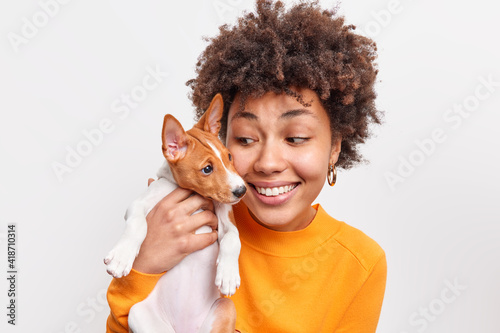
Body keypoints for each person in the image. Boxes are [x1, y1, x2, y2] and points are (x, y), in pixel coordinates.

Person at [106, 0, 386, 332]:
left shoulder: (360, 263)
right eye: (245, 139)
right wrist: (144, 265)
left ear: (335, 148)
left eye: (295, 138)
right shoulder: (185, 221)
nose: (268, 163)